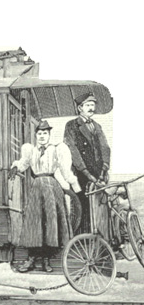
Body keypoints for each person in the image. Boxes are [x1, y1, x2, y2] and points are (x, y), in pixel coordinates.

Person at [8, 121, 81, 273]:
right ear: (36, 136)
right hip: (36, 188)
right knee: (35, 223)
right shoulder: (30, 150)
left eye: (45, 133)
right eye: (39, 134)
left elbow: (65, 171)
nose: (42, 136)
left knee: (50, 224)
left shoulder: (56, 150)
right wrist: (15, 167)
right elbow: (23, 163)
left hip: (52, 187)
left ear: (49, 135)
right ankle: (31, 259)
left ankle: (46, 260)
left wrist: (76, 188)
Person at [64, 92, 111, 234]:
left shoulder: (97, 126)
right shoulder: (71, 125)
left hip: (99, 173)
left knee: (101, 206)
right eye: (88, 105)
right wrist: (85, 172)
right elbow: (72, 150)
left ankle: (102, 242)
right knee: (83, 207)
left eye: (93, 105)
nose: (92, 108)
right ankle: (82, 242)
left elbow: (105, 147)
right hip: (81, 174)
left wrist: (104, 168)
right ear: (80, 108)